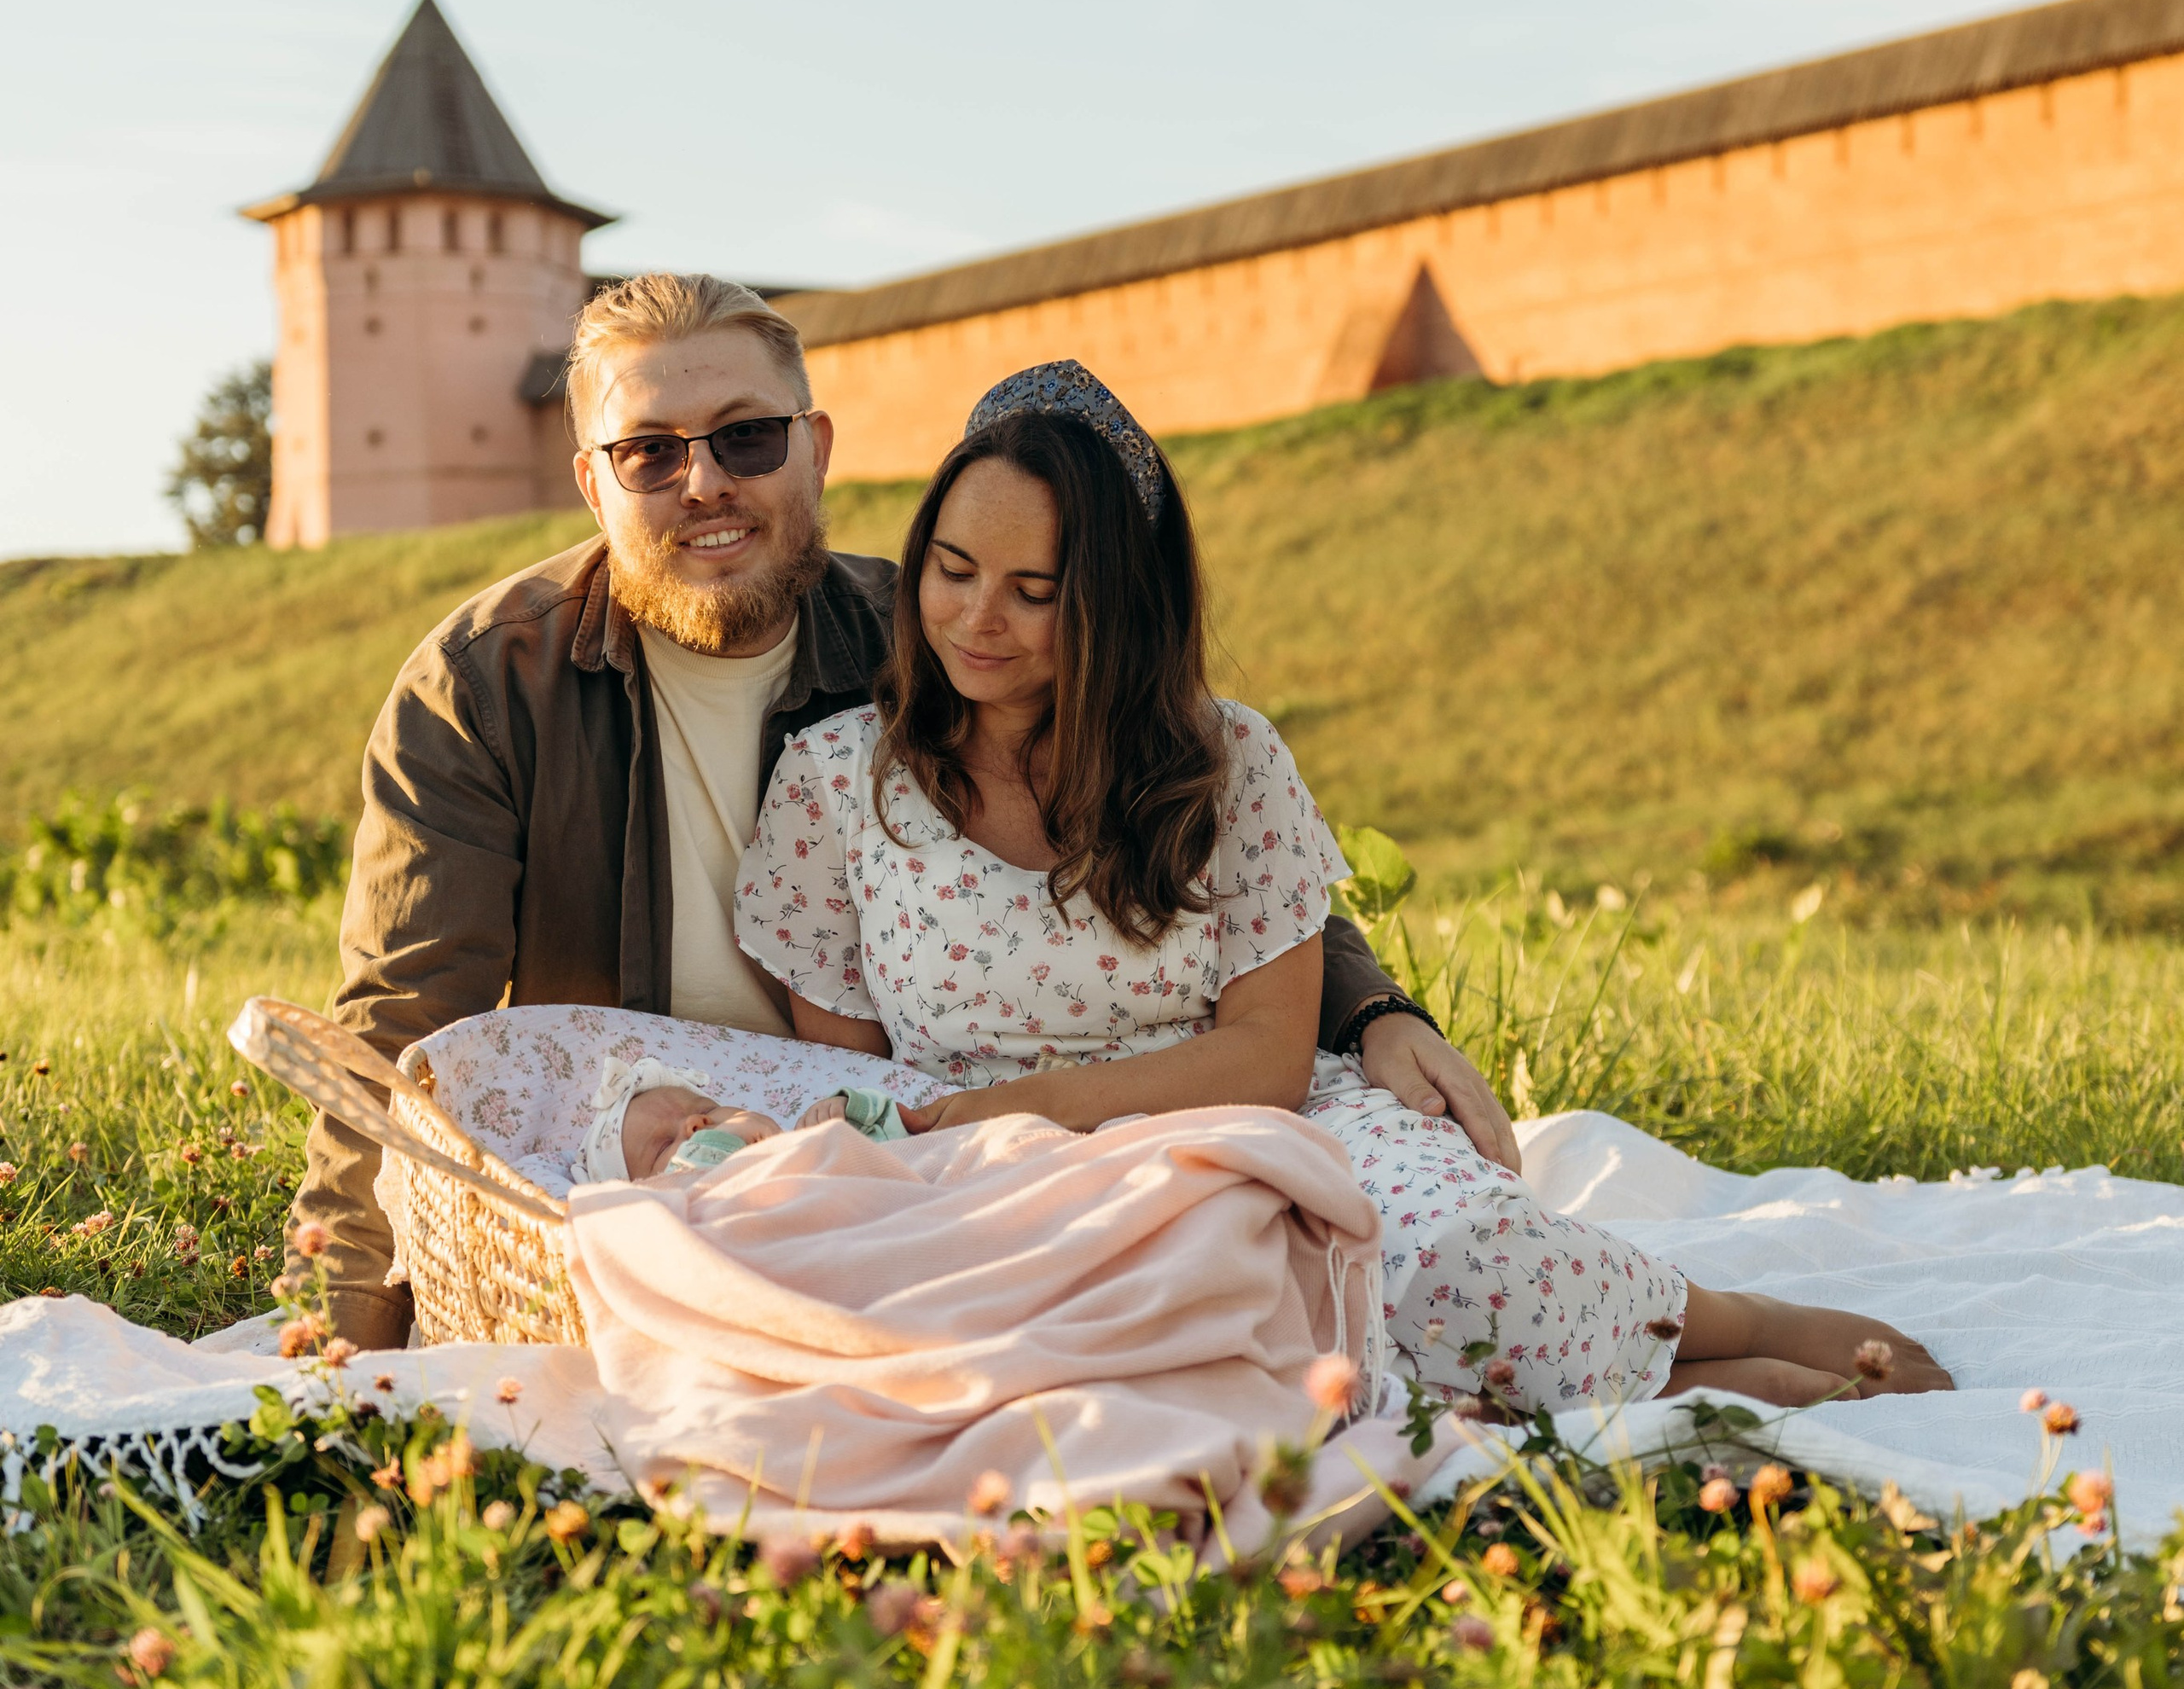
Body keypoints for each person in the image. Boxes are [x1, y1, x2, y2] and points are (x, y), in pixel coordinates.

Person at [294, 275, 1513, 1351]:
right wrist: (345, 1336)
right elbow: (397, 1031)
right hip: (683, 1153)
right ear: (591, 482)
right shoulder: (482, 689)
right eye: (650, 453)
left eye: (747, 438)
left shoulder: (937, 635)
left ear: (816, 446)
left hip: (909, 1140)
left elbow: (1191, 805)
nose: (705, 482)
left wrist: (1372, 1009)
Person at [736, 362, 1952, 1416]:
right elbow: (860, 1078)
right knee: (1249, 1351)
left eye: (1033, 592)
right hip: (1015, 1179)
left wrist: (1058, 1098)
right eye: (950, 570)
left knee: (1463, 1268)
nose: (973, 618)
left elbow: (1267, 1052)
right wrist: (1008, 1144)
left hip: (1263, 1128)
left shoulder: (1227, 762)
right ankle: (1684, 1390)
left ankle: (1729, 1325)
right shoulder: (838, 784)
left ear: (1115, 604)